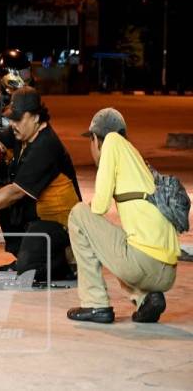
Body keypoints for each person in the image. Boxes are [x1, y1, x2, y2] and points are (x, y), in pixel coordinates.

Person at [67, 109, 180, 323]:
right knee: (118, 241)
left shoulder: (111, 142)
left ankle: (95, 304)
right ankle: (147, 298)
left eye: (90, 141)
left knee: (77, 214)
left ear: (95, 139)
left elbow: (98, 206)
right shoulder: (135, 158)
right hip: (167, 272)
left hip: (143, 263)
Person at [0, 86, 81, 282]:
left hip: (62, 225)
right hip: (37, 216)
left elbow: (14, 192)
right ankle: (28, 254)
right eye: (11, 118)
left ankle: (68, 262)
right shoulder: (22, 135)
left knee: (28, 271)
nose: (13, 123)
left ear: (34, 117)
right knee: (0, 200)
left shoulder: (45, 145)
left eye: (18, 118)